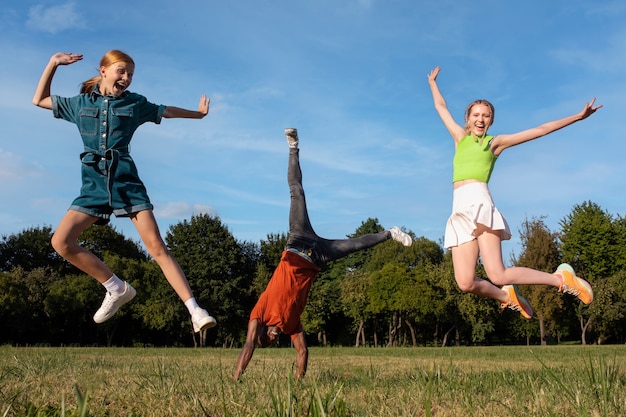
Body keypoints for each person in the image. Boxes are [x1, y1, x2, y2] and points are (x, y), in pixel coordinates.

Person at [32, 51, 217, 333]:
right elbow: (40, 100)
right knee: (61, 242)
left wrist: (199, 115)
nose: (126, 78)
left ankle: (195, 310)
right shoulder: (79, 104)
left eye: (130, 73)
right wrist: (53, 64)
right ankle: (115, 287)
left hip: (125, 181)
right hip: (93, 183)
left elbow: (165, 110)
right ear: (104, 71)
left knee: (157, 247)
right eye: (121, 71)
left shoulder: (134, 103)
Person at [233, 128, 413, 380]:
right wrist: (297, 384)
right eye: (271, 342)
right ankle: (389, 233)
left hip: (297, 242)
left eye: (266, 339)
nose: (271, 340)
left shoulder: (259, 313)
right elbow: (303, 352)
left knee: (297, 191)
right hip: (318, 256)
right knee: (356, 245)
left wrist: (236, 377)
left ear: (260, 332)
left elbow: (248, 345)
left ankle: (293, 147)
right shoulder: (290, 325)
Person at [427, 66, 600, 319]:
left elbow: (540, 130)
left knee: (497, 273)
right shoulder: (459, 138)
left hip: (480, 204)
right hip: (459, 210)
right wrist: (432, 82)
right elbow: (441, 107)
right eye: (476, 114)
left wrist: (576, 117)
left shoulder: (494, 143)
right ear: (467, 118)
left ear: (491, 121)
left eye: (486, 116)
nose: (480, 119)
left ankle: (560, 278)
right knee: (465, 283)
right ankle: (507, 296)